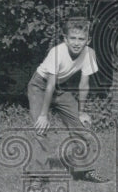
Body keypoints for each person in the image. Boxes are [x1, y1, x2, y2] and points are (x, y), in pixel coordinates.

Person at [27, 17, 111, 182]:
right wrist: (44, 115)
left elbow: (84, 84)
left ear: (88, 40)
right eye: (73, 38)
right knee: (40, 128)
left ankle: (86, 170)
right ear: (65, 39)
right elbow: (49, 86)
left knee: (81, 127)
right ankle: (39, 175)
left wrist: (81, 112)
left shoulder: (89, 54)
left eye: (81, 39)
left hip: (60, 88)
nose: (77, 43)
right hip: (40, 86)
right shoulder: (57, 52)